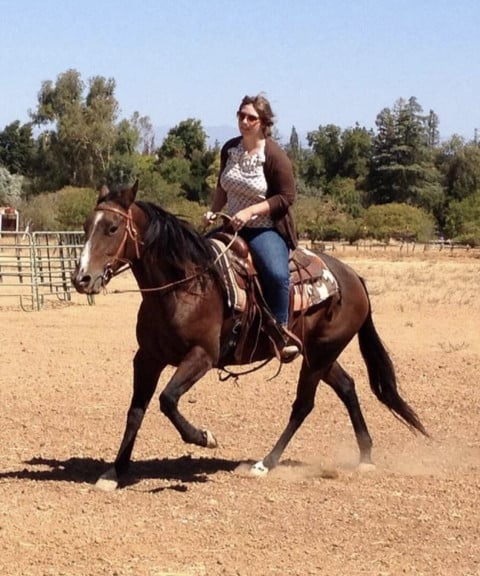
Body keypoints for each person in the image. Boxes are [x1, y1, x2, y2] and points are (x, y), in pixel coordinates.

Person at [204, 93, 301, 362]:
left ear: (264, 122)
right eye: (241, 116)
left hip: (265, 228)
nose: (245, 122)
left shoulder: (274, 156)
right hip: (230, 227)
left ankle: (280, 333)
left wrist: (250, 212)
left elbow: (286, 197)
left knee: (276, 274)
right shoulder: (229, 149)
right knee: (197, 258)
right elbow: (223, 186)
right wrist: (213, 210)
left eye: (251, 118)